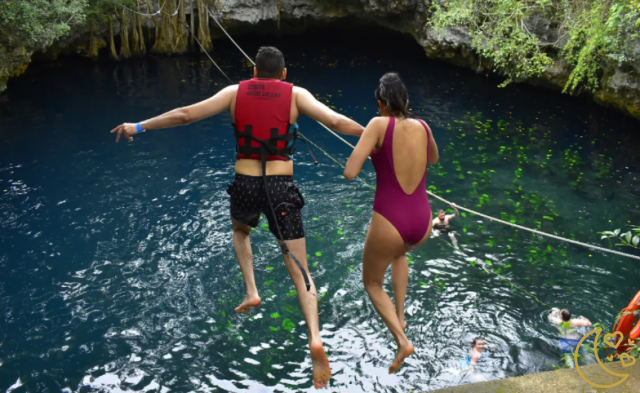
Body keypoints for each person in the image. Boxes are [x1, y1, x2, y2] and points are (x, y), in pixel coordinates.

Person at [110, 46, 364, 389]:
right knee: (299, 265)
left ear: (254, 71)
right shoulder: (296, 94)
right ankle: (315, 336)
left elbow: (185, 114)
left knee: (241, 231)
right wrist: (374, 134)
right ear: (284, 74)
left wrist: (138, 126)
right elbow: (336, 122)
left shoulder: (233, 92)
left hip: (245, 183)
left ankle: (251, 290)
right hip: (280, 185)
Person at [343, 72, 439, 373]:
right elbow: (433, 159)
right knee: (399, 254)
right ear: (406, 101)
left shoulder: (377, 124)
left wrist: (373, 147)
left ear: (380, 104)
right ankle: (400, 314)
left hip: (390, 219)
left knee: (371, 282)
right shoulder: (423, 126)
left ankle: (402, 340)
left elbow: (350, 172)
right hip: (422, 222)